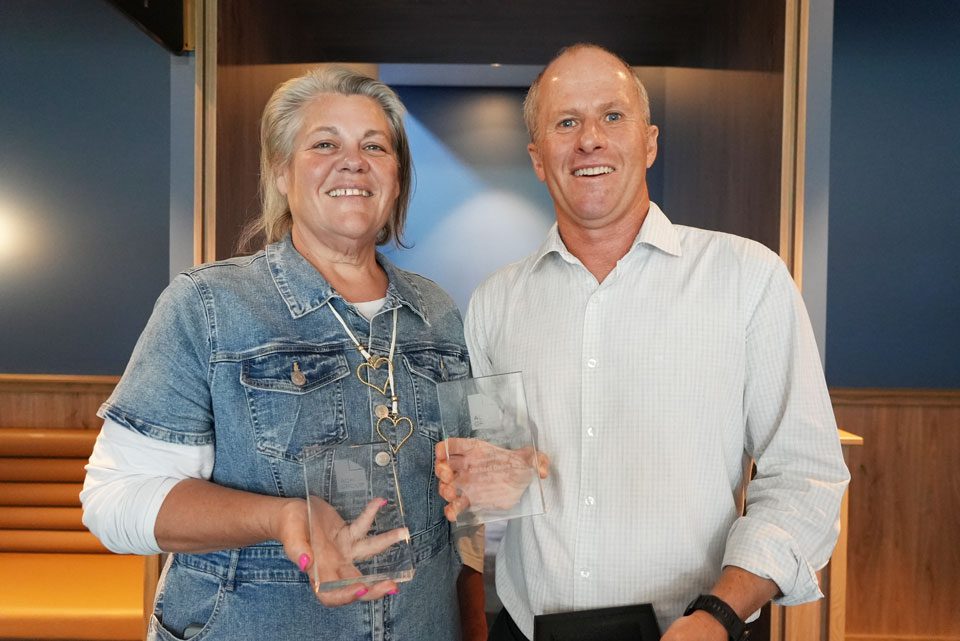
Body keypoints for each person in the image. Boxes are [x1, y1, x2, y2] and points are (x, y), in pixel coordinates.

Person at [436, 44, 851, 641]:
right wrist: (480, 480)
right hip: (527, 632)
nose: (589, 140)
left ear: (649, 142)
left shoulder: (745, 277)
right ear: (536, 157)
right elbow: (487, 497)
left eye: (612, 116)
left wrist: (721, 615)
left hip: (696, 629)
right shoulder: (495, 302)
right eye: (566, 122)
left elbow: (803, 475)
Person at [81, 67, 485, 641]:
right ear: (281, 171)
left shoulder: (437, 311)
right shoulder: (208, 305)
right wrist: (284, 516)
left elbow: (462, 507)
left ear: (396, 177)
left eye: (375, 146)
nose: (354, 161)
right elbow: (112, 503)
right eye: (324, 144)